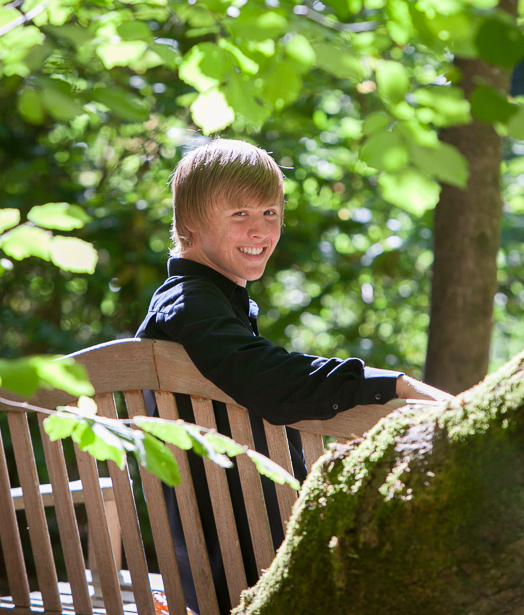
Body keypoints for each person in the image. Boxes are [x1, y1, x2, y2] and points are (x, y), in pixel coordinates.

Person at [135, 138, 450, 614]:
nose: (260, 228)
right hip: (243, 569)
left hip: (228, 562)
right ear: (189, 226)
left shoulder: (198, 305)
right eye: (239, 214)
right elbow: (270, 379)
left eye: (270, 212)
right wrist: (394, 385)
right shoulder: (191, 307)